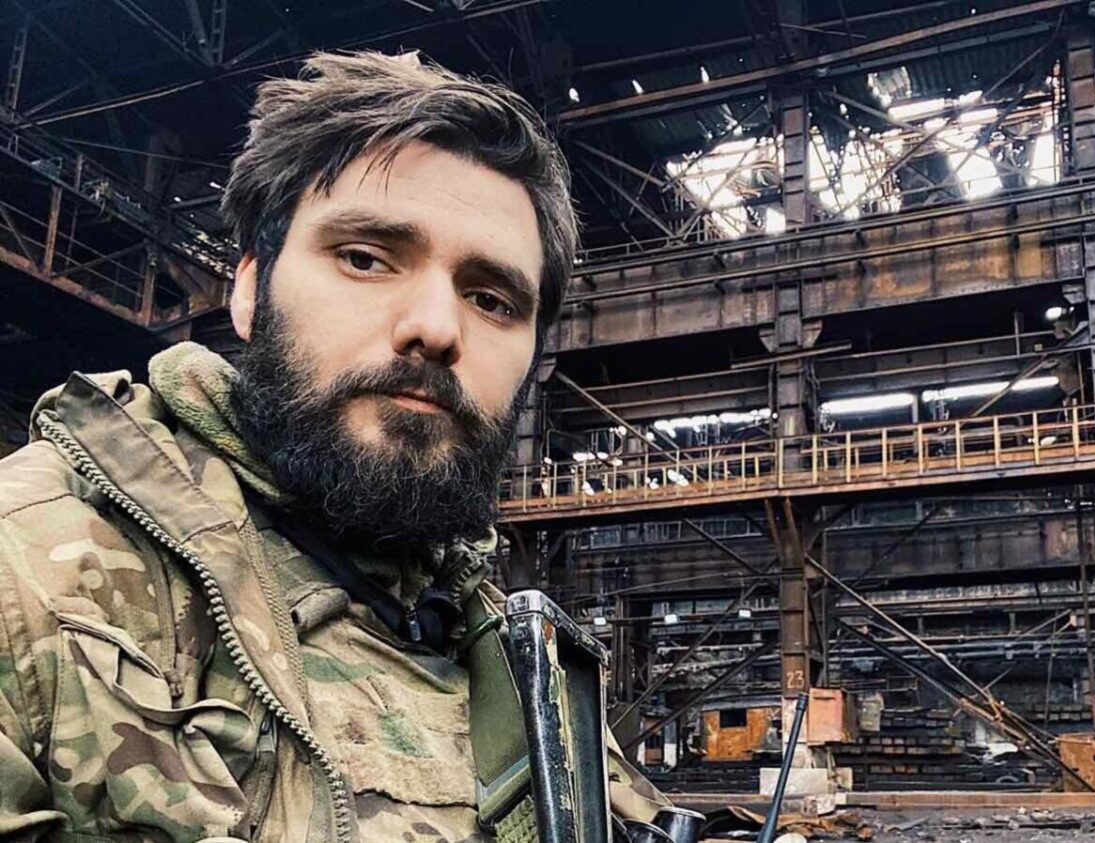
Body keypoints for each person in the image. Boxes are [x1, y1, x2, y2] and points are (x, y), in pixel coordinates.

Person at [0, 51, 668, 842]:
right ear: (250, 288)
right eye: (366, 258)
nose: (437, 327)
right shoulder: (32, 574)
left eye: (491, 299)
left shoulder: (525, 670)